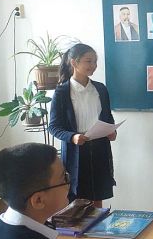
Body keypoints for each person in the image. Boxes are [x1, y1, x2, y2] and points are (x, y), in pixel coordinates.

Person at [48, 43, 117, 208]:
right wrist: (73, 137)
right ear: (74, 62)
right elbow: (54, 126)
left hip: (100, 149)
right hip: (76, 151)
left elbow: (108, 117)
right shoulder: (62, 92)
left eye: (95, 61)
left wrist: (112, 131)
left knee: (98, 197)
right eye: (88, 61)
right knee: (76, 201)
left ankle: (98, 225)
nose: (93, 65)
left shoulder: (100, 89)